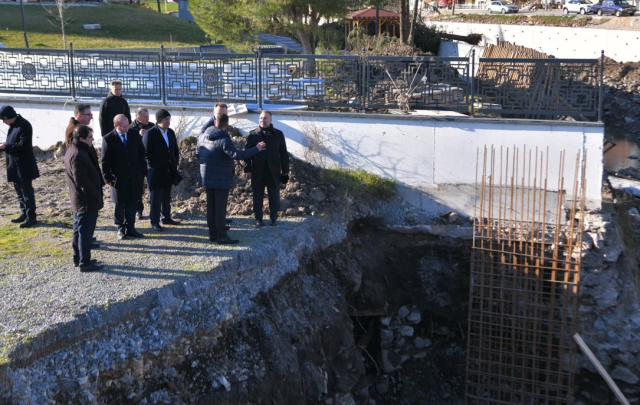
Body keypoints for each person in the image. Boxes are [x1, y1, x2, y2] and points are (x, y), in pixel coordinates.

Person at [199, 113, 265, 244]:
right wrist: (256, 149)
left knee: (211, 207)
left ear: (214, 123)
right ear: (227, 125)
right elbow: (238, 154)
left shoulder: (203, 136)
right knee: (220, 209)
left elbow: (198, 153)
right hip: (221, 179)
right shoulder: (224, 139)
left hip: (206, 177)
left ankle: (213, 234)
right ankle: (222, 236)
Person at [64, 125, 104, 272]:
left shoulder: (74, 150)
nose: (93, 139)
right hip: (85, 201)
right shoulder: (78, 154)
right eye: (90, 137)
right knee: (85, 233)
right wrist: (94, 192)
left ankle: (79, 258)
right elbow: (81, 180)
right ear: (81, 139)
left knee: (79, 231)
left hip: (80, 200)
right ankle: (84, 262)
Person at [101, 114, 146, 240]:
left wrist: (141, 170)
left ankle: (131, 228)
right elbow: (105, 161)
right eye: (123, 126)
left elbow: (141, 153)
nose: (127, 128)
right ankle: (120, 228)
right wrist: (108, 178)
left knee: (132, 202)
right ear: (116, 126)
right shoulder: (109, 138)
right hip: (118, 178)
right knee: (119, 203)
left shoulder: (134, 134)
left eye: (128, 125)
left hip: (134, 176)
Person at [244, 110, 289, 227]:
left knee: (274, 194)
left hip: (273, 170)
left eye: (265, 118)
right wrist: (247, 168)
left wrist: (285, 171)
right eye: (260, 118)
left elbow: (283, 154)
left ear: (271, 120)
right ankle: (258, 218)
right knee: (257, 194)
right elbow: (247, 153)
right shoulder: (253, 134)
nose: (262, 120)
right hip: (257, 170)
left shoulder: (278, 134)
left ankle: (274, 217)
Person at [0, 105, 40, 228]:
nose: (2, 122)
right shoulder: (13, 126)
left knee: (26, 192)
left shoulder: (24, 125)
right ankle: (24, 213)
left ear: (8, 117)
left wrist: (6, 146)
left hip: (24, 165)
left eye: (3, 119)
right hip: (14, 165)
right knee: (19, 191)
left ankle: (31, 217)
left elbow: (24, 145)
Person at [142, 109, 180, 231]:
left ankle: (166, 217)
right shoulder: (151, 133)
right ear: (159, 120)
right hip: (155, 171)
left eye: (169, 119)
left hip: (168, 170)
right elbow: (146, 153)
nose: (168, 121)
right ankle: (154, 221)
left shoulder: (170, 132)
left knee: (166, 196)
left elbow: (175, 150)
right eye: (165, 119)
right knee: (156, 197)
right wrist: (154, 166)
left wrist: (174, 162)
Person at [130, 107, 154, 220]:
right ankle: (138, 210)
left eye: (148, 116)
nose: (147, 119)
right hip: (137, 162)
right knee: (138, 188)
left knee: (152, 186)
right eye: (145, 117)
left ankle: (154, 210)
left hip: (149, 161)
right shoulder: (131, 128)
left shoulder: (152, 126)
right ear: (138, 117)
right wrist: (138, 135)